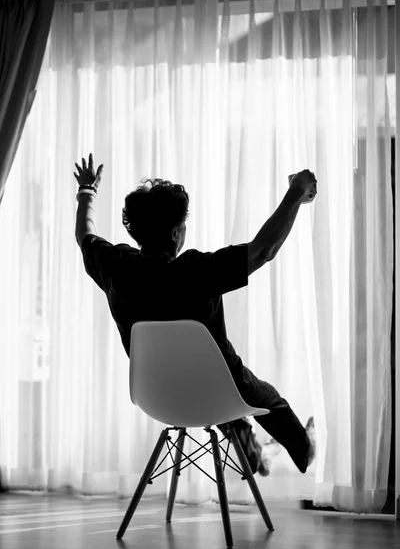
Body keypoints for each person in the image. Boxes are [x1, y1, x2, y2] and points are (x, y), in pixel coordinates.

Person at [74, 154, 317, 477]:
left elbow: (84, 236)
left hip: (156, 396)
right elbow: (263, 250)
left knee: (227, 401)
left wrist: (87, 190)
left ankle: (252, 448)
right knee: (268, 399)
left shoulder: (116, 266)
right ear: (176, 233)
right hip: (221, 390)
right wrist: (298, 190)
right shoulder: (195, 270)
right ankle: (305, 448)